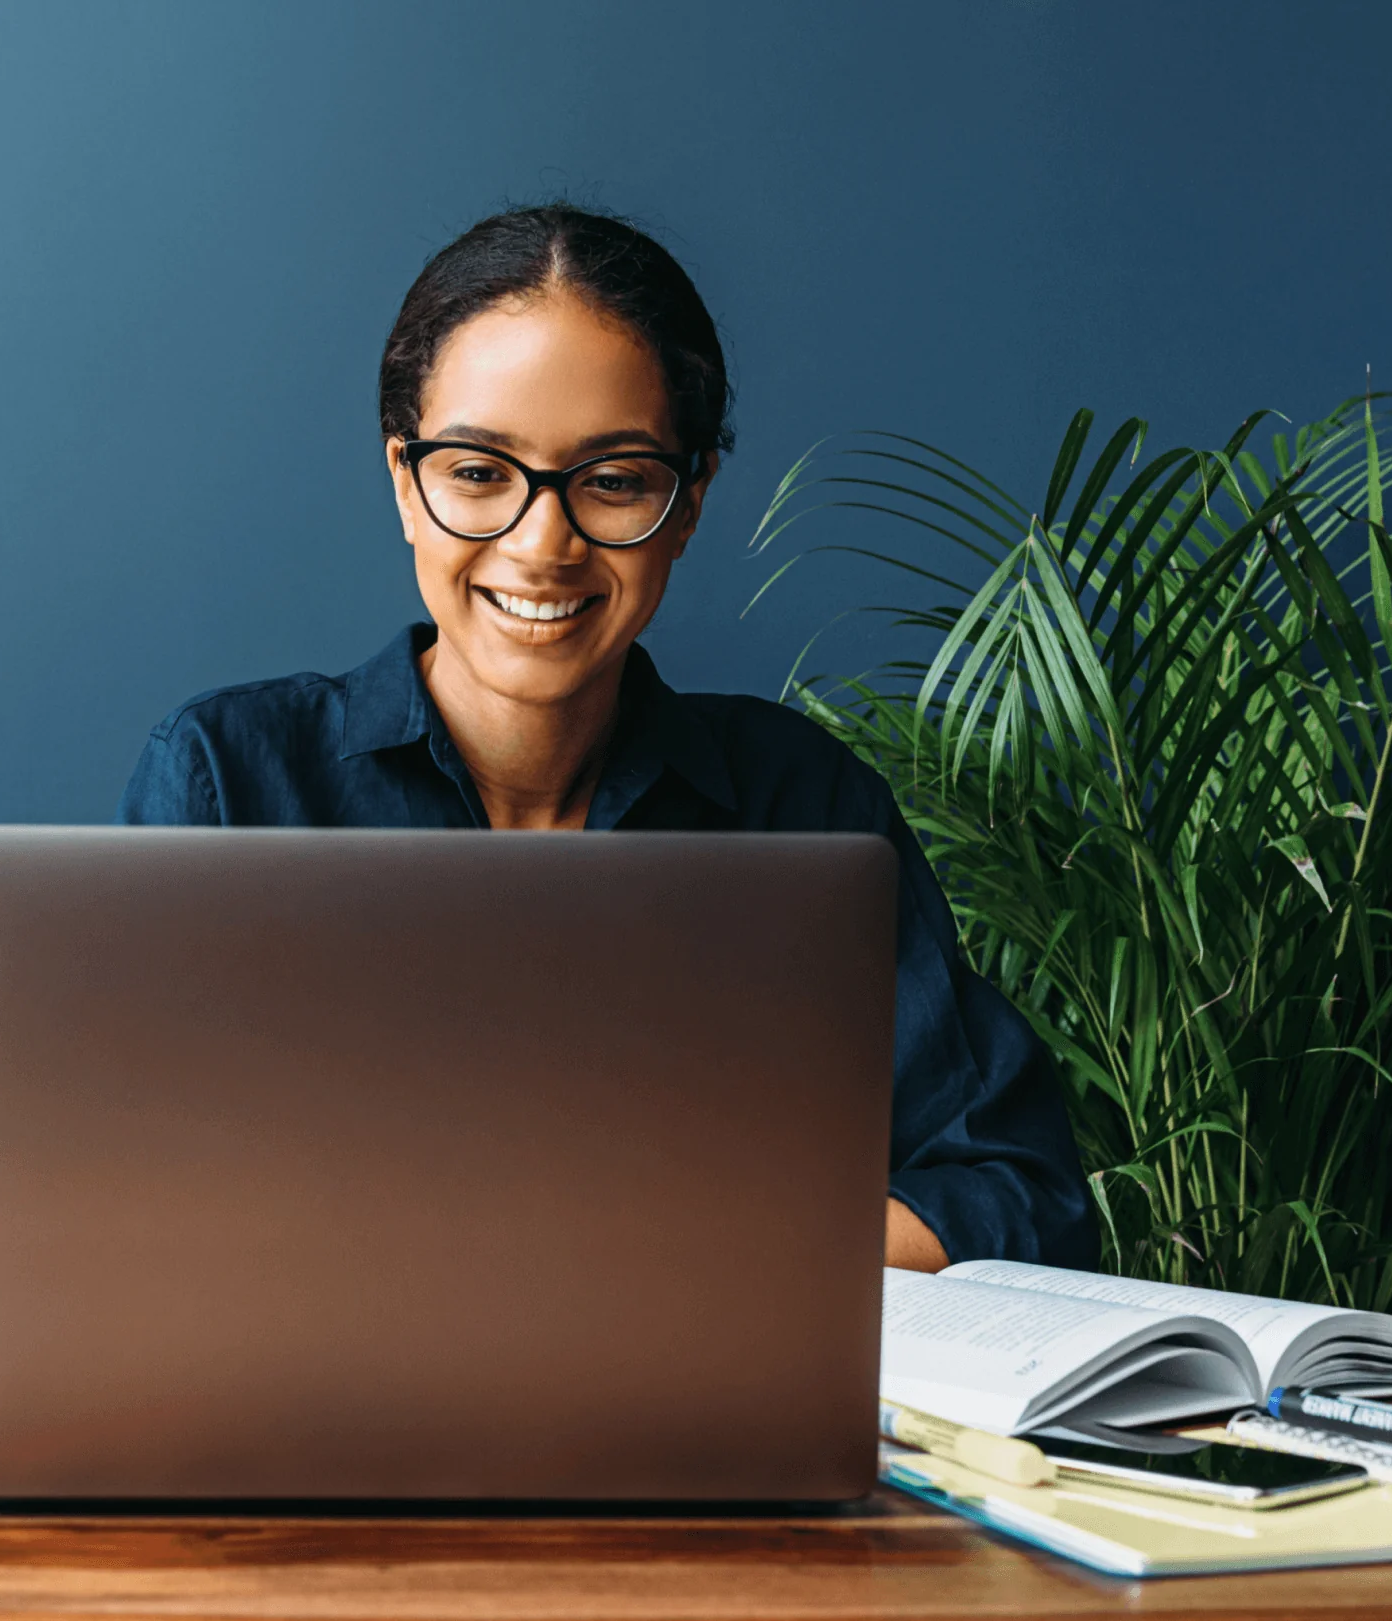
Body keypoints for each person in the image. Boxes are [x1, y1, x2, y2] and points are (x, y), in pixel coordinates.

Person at [117, 202, 1097, 1273]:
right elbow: (121, 1207)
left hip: (703, 1418)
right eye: (479, 473)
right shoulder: (229, 782)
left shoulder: (802, 810)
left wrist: (665, 1259)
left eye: (616, 480)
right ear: (405, 481)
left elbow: (1017, 1194)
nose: (543, 544)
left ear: (689, 502)